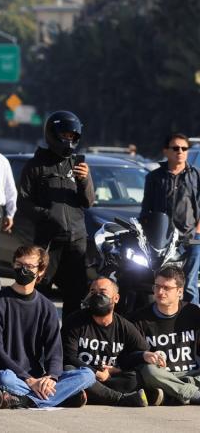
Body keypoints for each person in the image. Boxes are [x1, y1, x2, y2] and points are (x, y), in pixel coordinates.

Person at [0, 245, 96, 409]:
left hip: (38, 377)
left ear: (41, 271)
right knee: (4, 379)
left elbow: (54, 350)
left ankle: (25, 400)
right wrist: (29, 380)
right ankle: (57, 397)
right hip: (10, 375)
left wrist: (51, 378)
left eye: (29, 266)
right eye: (19, 264)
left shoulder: (47, 306)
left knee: (88, 375)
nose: (23, 270)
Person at [18, 110, 94, 316]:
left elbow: (88, 201)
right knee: (40, 294)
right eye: (65, 135)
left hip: (76, 242)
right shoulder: (35, 166)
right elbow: (23, 203)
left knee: (76, 296)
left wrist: (85, 180)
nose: (69, 140)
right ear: (53, 134)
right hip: (48, 242)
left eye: (72, 136)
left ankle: (69, 343)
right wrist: (47, 215)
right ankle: (38, 339)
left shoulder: (78, 165)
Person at [61, 277, 157, 407]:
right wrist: (94, 373)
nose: (97, 296)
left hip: (108, 378)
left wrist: (116, 370)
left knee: (133, 378)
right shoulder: (74, 321)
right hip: (83, 375)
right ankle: (118, 399)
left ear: (116, 298)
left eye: (103, 292)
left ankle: (87, 396)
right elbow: (68, 357)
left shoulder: (124, 326)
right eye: (93, 292)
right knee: (69, 371)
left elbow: (137, 353)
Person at [140, 133, 200, 305]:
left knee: (189, 285)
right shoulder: (154, 177)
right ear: (166, 151)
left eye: (184, 148)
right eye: (175, 148)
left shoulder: (196, 176)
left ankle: (194, 325)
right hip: (163, 240)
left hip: (191, 239)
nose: (180, 151)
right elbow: (146, 209)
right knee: (165, 283)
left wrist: (197, 232)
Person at [131, 266, 200, 405]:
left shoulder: (193, 312)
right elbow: (130, 353)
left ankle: (171, 394)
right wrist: (144, 355)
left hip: (193, 374)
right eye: (157, 286)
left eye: (166, 288)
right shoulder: (139, 318)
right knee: (148, 371)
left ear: (180, 291)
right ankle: (193, 394)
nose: (160, 292)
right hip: (161, 375)